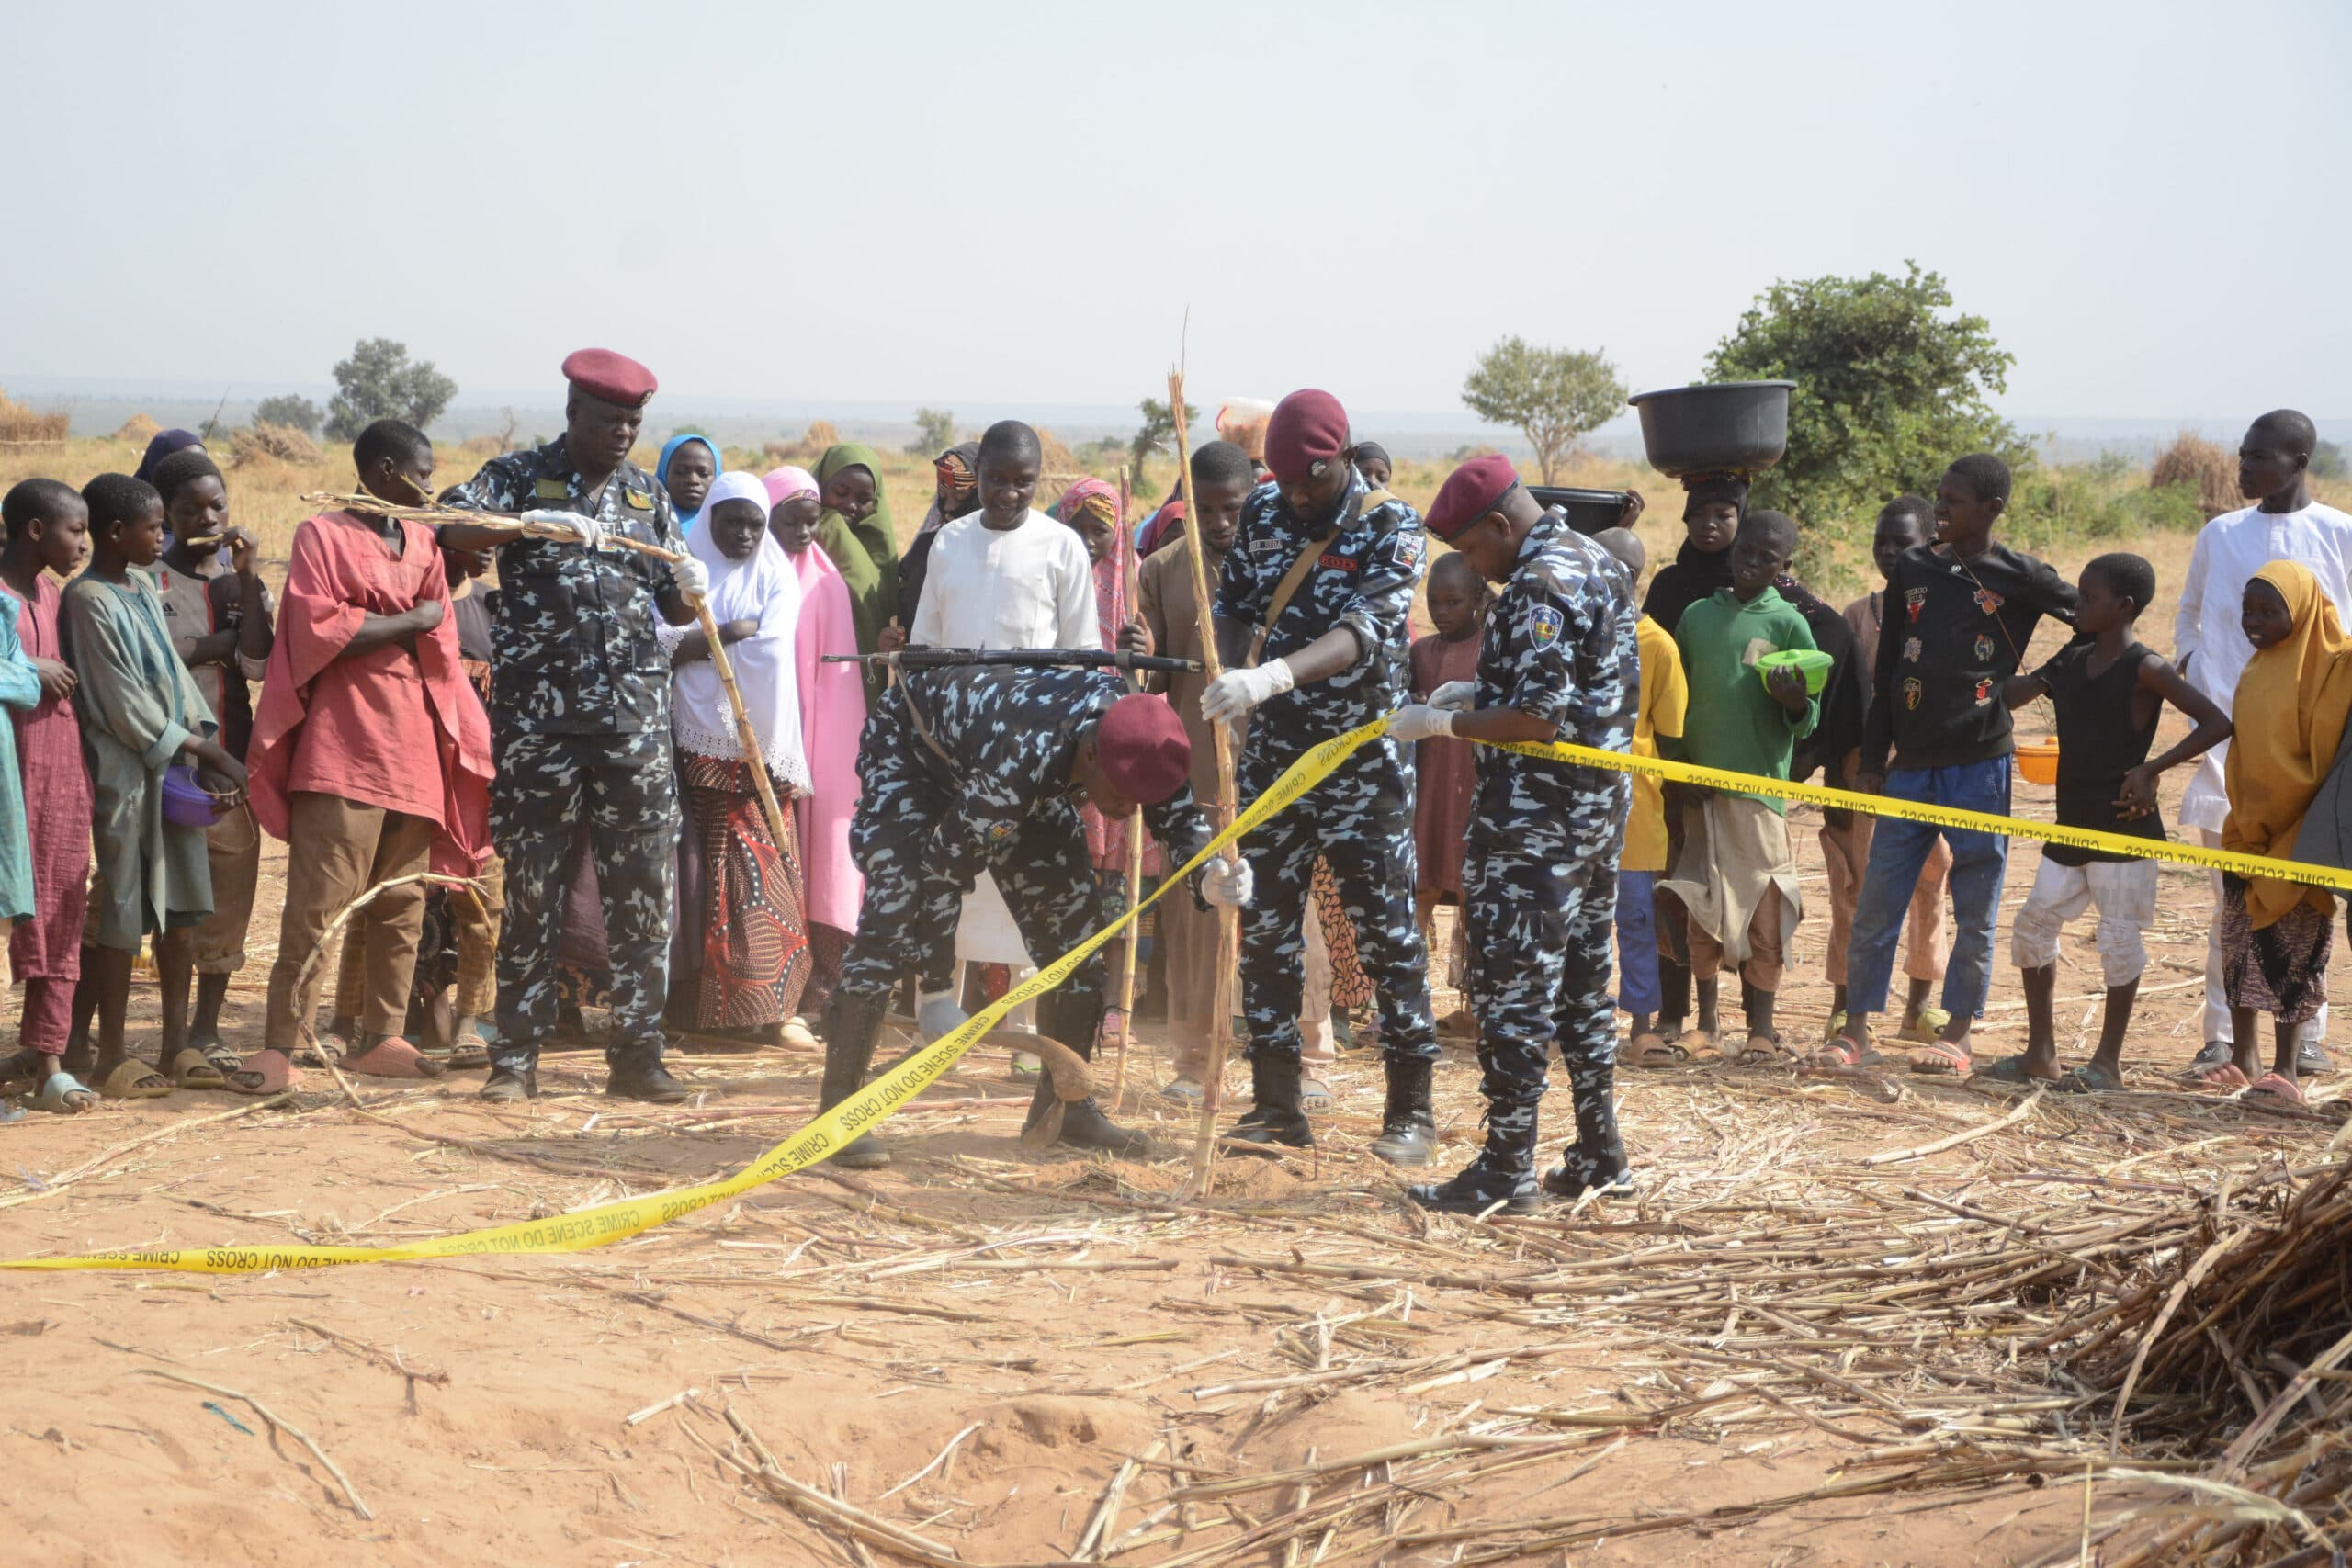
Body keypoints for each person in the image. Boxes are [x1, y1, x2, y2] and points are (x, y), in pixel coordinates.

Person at [817, 672, 1247, 1167]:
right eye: (1122, 796)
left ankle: (1067, 1111)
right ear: (1090, 757)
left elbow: (1178, 816)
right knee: (894, 912)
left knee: (1077, 939)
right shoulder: (1018, 765)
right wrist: (934, 991)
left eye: (1139, 800)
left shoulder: (1143, 738)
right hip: (915, 752)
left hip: (1016, 762)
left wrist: (1209, 876)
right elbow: (942, 870)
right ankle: (838, 1115)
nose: (1130, 811)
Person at [435, 348, 710, 1105]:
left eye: (634, 420)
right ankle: (515, 1058)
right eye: (610, 418)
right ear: (572, 413)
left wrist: (690, 587)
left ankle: (638, 1056)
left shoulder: (647, 497)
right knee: (532, 891)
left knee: (642, 895)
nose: (623, 432)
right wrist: (520, 525)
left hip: (633, 727)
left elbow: (675, 605)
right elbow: (451, 530)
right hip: (540, 727)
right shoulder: (517, 477)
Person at [1199, 389, 1442, 1163]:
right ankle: (1275, 1105)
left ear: (1339, 457)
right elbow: (1234, 603)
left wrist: (1271, 678)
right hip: (1276, 757)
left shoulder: (1390, 524)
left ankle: (1411, 1113)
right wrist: (1232, 670)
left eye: (1311, 481)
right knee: (1264, 931)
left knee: (1385, 937)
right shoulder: (1268, 513)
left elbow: (1364, 633)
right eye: (1287, 482)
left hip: (1360, 761)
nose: (1298, 498)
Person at [1395, 455, 1636, 1212]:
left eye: (1471, 550)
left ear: (1501, 525)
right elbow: (1579, 685)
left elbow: (1536, 721)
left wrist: (1446, 720)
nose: (1473, 567)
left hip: (1537, 826)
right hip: (1595, 820)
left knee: (1514, 997)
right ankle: (1601, 1152)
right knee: (1585, 993)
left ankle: (1506, 1171)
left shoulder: (1539, 581)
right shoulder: (1595, 555)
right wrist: (1482, 690)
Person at [237, 420, 494, 1092]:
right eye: (422, 473)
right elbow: (318, 627)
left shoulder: (423, 543)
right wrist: (405, 621)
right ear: (383, 470)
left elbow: (437, 631)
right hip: (342, 744)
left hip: (414, 746)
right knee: (317, 905)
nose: (430, 487)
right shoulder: (321, 535)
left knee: (403, 901)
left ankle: (382, 1035)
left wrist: (387, 625)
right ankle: (280, 1043)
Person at [1826, 454, 2078, 1076]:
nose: (1941, 508)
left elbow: (2096, 619)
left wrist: (2039, 680)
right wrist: (1873, 759)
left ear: (1992, 509)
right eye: (1939, 496)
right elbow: (1887, 672)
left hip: (1980, 764)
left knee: (1975, 904)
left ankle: (1958, 1034)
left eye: (1955, 500)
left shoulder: (2018, 574)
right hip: (1909, 765)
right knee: (1880, 902)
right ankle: (1856, 1031)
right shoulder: (1912, 567)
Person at [1986, 553, 2229, 1091]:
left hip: (2124, 827)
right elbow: (2012, 696)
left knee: (2118, 942)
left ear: (2123, 607)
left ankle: (2107, 1063)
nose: (2078, 604)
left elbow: (2216, 721)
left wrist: (2152, 768)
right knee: (2032, 928)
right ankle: (2040, 1053)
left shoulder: (2146, 666)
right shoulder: (2073, 661)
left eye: (2089, 598)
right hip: (2070, 823)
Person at [907, 422, 1099, 1067]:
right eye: (996, 479)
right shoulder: (949, 543)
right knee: (945, 889)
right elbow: (925, 644)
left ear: (1037, 481)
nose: (1009, 494)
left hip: (1031, 760)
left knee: (1032, 909)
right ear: (977, 474)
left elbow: (1082, 658)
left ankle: (1027, 1040)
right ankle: (935, 1022)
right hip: (954, 755)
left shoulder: (1062, 546)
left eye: (1023, 482)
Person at [2173, 410, 2352, 1079]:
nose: (2243, 468)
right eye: (2242, 456)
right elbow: (2189, 612)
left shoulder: (2339, 533)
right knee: (2232, 897)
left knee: (2307, 898)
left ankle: (2306, 1036)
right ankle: (2223, 1035)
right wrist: (2195, 666)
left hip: (2314, 758)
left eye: (2258, 457)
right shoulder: (2220, 534)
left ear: (2299, 458)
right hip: (2229, 744)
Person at [64, 474, 245, 1100]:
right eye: (154, 527)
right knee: (122, 905)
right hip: (126, 774)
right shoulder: (87, 599)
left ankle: (174, 1044)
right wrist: (203, 747)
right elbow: (121, 704)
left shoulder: (140, 585)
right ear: (117, 533)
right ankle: (111, 1054)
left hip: (172, 771)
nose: (163, 537)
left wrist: (201, 752)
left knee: (182, 906)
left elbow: (174, 675)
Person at [657, 472, 811, 1038]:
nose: (744, 534)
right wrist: (723, 632)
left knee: (757, 877)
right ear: (710, 521)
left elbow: (770, 654)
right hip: (692, 749)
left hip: (756, 755)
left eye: (755, 523)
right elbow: (658, 641)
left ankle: (766, 1009)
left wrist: (700, 644)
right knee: (696, 879)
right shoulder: (683, 574)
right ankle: (693, 1014)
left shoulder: (777, 577)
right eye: (731, 522)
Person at [1659, 511, 1818, 1058]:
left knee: (1766, 909)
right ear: (1732, 551)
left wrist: (1797, 704)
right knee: (1703, 905)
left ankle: (1762, 1030)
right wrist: (1680, 768)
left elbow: (1808, 717)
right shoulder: (1698, 616)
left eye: (1767, 558)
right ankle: (1706, 1024)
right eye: (1746, 551)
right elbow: (1674, 699)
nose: (1753, 562)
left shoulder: (1789, 624)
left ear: (1784, 566)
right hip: (1700, 791)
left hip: (1760, 793)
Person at [1134, 442, 1259, 1102]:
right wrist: (1140, 651)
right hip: (1198, 772)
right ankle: (1194, 1057)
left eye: (1231, 509)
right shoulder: (1161, 568)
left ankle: (1299, 1054)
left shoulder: (1279, 562)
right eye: (1205, 509)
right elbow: (1151, 669)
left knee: (1279, 916)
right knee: (1196, 916)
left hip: (1270, 769)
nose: (1219, 524)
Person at [146, 447, 274, 1070]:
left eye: (216, 504)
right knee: (176, 907)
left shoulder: (237, 584)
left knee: (229, 897)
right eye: (189, 508)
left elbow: (256, 664)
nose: (207, 517)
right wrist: (207, 645)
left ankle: (207, 1029)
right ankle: (172, 1033)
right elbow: (158, 659)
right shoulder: (148, 581)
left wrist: (248, 580)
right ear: (165, 514)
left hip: (231, 765)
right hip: (169, 768)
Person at [2209, 564, 2352, 1109]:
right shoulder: (2257, 668)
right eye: (2249, 610)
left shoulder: (2338, 665)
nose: (2255, 622)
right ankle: (2244, 1059)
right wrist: (2249, 824)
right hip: (2249, 830)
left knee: (2295, 951)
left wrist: (2293, 825)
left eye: (2270, 612)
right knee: (2240, 947)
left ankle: (2286, 1071)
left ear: (2304, 610)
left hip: (2306, 832)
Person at [1826, 497, 1952, 1045]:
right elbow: (1844, 700)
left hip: (1926, 769)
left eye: (1903, 544)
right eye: (1882, 542)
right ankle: (1845, 1005)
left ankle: (1920, 1006)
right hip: (1864, 771)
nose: (1889, 553)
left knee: (1931, 877)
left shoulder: (1950, 612)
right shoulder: (1859, 615)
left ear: (1931, 544)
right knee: (1855, 883)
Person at [0, 480, 94, 1111]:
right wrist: (32, 670)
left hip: (59, 770)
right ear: (35, 530)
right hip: (11, 771)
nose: (83, 542)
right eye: (73, 529)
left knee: (62, 899)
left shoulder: (56, 595)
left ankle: (48, 1057)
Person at [769, 465, 865, 1031]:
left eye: (812, 524)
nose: (804, 535)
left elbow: (840, 684)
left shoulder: (828, 584)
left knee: (826, 853)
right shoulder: (748, 572)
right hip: (758, 738)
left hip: (819, 742)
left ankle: (819, 995)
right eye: (791, 522)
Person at [1591, 527, 1687, 1066]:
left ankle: (1643, 1026)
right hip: (1574, 806)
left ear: (1636, 579)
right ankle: (1579, 1018)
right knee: (1578, 919)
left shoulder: (1658, 645)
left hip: (1635, 807)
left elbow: (1669, 730)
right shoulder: (1576, 631)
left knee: (1635, 919)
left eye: (1618, 571)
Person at [1408, 552, 1487, 1018]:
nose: (1441, 611)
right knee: (1420, 889)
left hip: (1473, 790)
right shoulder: (1421, 654)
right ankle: (1408, 1002)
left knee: (1474, 897)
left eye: (1454, 601)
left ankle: (1475, 1006)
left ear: (1478, 600)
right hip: (1431, 789)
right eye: (1434, 601)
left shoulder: (1491, 651)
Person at [812, 443, 899, 697]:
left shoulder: (881, 546)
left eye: (864, 500)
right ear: (820, 485)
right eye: (840, 493)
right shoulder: (809, 533)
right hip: (818, 667)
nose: (850, 505)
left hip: (869, 676)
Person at [899, 440, 981, 629]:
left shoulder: (998, 552)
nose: (949, 506)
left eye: (961, 497)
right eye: (943, 496)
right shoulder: (925, 546)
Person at [653, 433, 719, 535]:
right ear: (664, 473)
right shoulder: (646, 520)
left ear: (717, 476)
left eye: (703, 474)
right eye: (680, 472)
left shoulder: (728, 524)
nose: (693, 480)